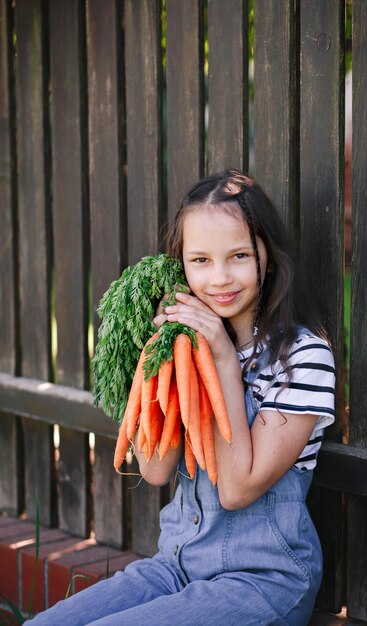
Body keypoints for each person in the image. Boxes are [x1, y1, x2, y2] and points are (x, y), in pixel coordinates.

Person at [28, 169, 336, 625]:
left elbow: (236, 490)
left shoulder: (302, 356)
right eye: (201, 261)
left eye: (238, 256)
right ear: (182, 265)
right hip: (174, 568)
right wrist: (166, 362)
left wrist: (224, 363)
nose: (220, 278)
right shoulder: (183, 347)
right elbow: (153, 470)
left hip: (262, 582)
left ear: (266, 257)